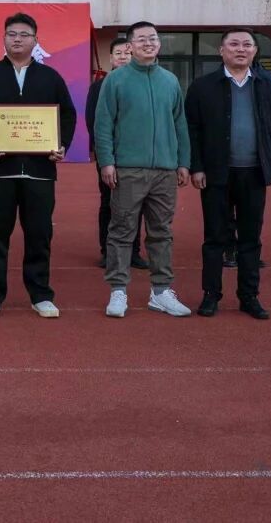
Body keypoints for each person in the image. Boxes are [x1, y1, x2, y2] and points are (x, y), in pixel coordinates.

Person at [0, 13, 77, 319]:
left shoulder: (50, 77)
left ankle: (40, 294)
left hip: (39, 172)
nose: (17, 39)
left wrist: (61, 144)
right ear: (3, 39)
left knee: (39, 234)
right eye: (11, 34)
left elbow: (67, 115)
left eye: (24, 34)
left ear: (35, 40)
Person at [185, 30, 271, 321]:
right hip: (216, 174)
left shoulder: (267, 83)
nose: (240, 49)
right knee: (214, 238)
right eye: (233, 44)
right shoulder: (203, 86)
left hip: (254, 173)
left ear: (255, 51)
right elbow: (192, 130)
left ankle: (249, 296)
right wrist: (196, 167)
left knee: (250, 238)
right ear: (221, 50)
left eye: (247, 45)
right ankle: (211, 295)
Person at [94, 21, 192, 319]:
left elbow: (180, 123)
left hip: (165, 171)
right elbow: (103, 123)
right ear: (130, 46)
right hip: (128, 170)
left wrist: (183, 161)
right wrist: (107, 161)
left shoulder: (170, 81)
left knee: (161, 232)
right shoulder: (116, 80)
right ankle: (118, 290)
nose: (148, 43)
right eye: (142, 39)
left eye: (153, 38)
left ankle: (161, 291)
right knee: (122, 231)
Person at [84, 37, 145, 271]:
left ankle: (134, 251)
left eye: (127, 53)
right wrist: (104, 155)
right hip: (109, 156)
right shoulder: (99, 87)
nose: (123, 57)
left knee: (136, 204)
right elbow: (93, 122)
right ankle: (107, 251)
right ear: (110, 58)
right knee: (108, 203)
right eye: (118, 54)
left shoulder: (142, 83)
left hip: (137, 157)